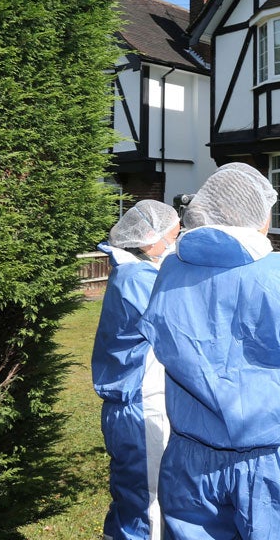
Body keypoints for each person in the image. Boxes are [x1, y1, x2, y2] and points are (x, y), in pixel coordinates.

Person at [138, 163, 280, 540]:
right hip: (266, 460)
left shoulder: (169, 270)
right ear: (258, 216)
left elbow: (163, 339)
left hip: (188, 459)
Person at [92, 200, 181, 540]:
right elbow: (177, 330)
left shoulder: (133, 271)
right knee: (147, 507)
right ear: (150, 239)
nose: (176, 244)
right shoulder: (138, 278)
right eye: (173, 237)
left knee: (133, 502)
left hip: (132, 404)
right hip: (140, 407)